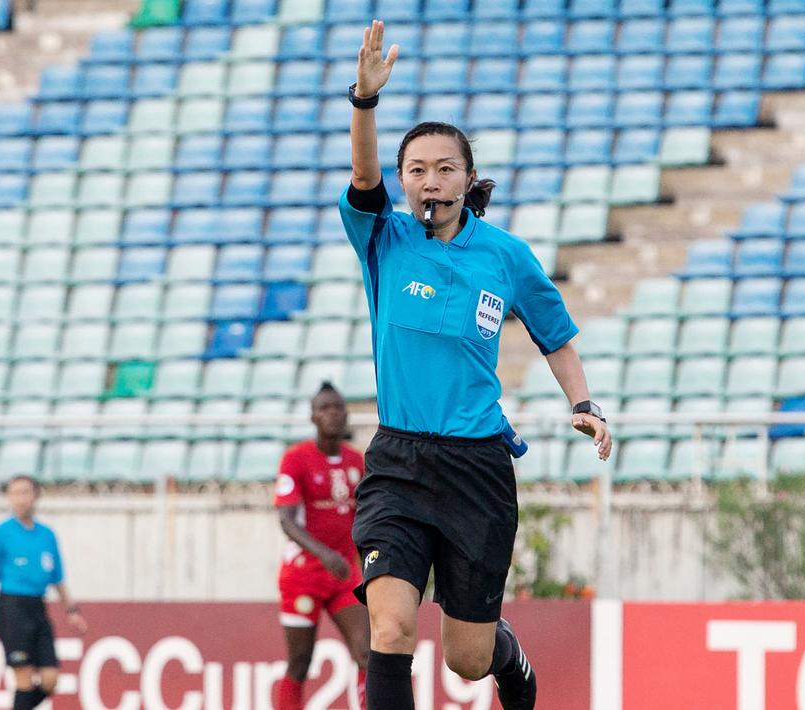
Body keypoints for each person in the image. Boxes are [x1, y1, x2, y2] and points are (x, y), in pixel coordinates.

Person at [340, 20, 613, 710]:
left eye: (444, 167)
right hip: (398, 461)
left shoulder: (505, 255)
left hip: (475, 468)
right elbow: (362, 177)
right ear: (402, 181)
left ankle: (506, 656)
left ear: (467, 178)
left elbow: (555, 337)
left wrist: (584, 405)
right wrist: (364, 103)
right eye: (417, 169)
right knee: (391, 624)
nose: (429, 180)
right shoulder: (383, 238)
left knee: (465, 659)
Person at [275, 382, 370, 710]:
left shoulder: (357, 461)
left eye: (337, 408)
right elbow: (286, 520)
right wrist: (324, 553)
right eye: (324, 408)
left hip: (345, 574)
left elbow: (369, 514)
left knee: (367, 653)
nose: (332, 414)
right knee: (300, 663)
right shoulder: (296, 459)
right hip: (304, 576)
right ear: (312, 417)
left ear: (346, 415)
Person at [0, 475, 88, 710]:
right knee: (24, 678)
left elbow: (58, 578)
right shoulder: (0, 534)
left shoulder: (47, 535)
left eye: (25, 492)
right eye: (14, 493)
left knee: (50, 679)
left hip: (38, 607)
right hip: (12, 608)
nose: (20, 499)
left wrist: (72, 610)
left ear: (35, 496)